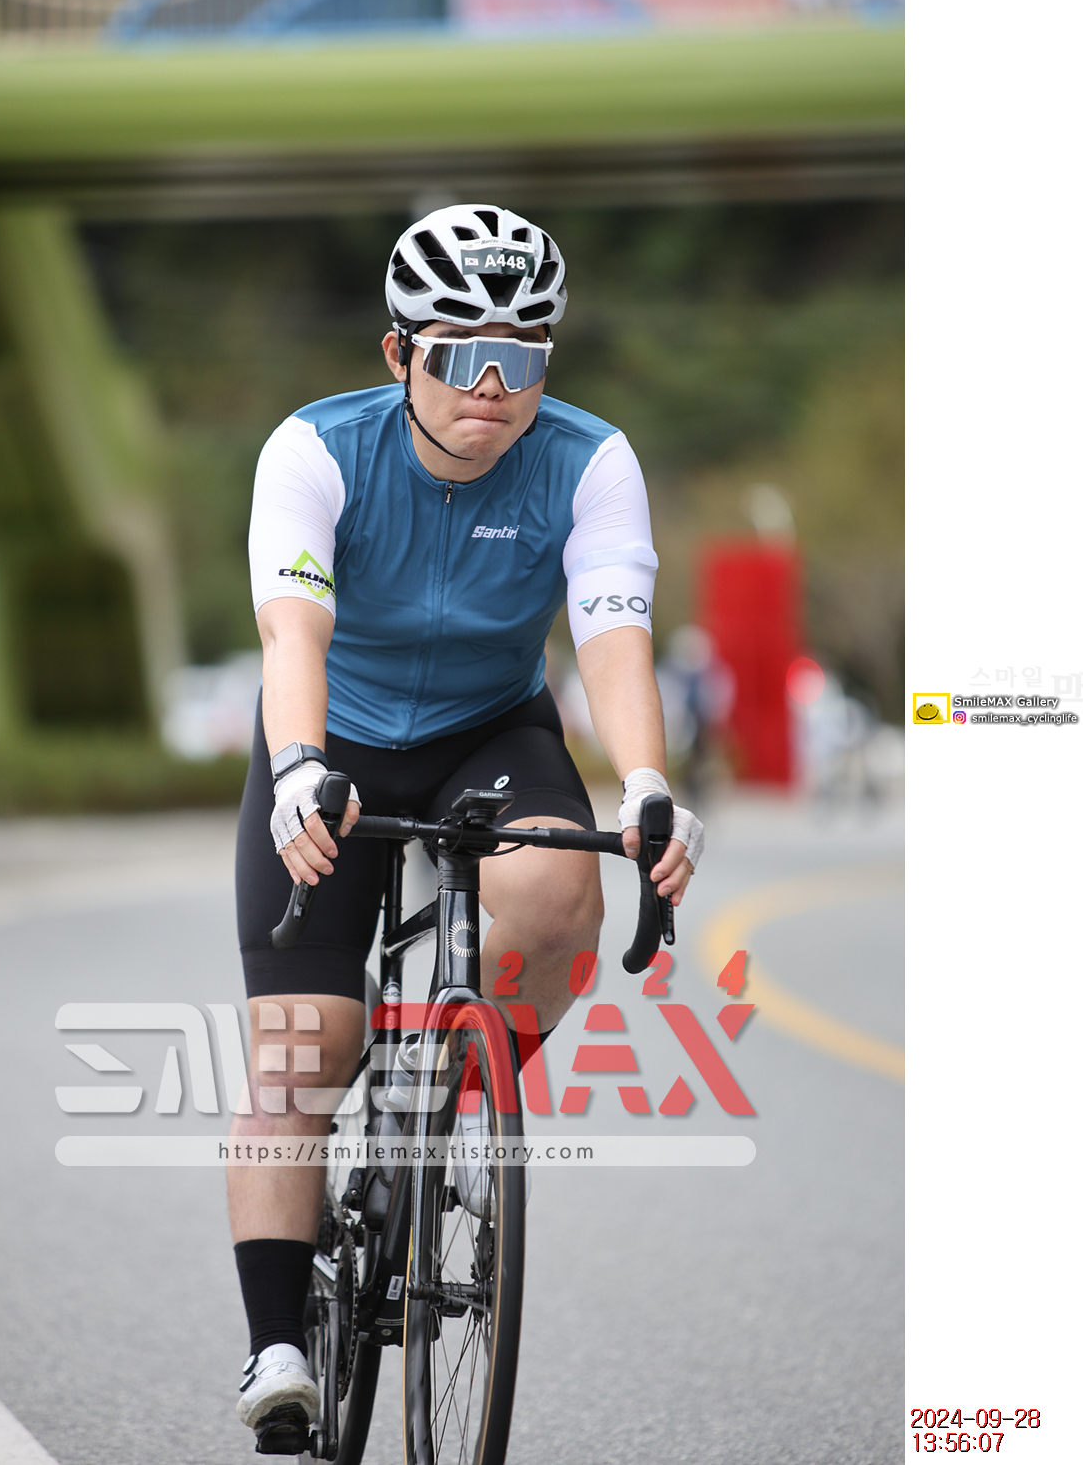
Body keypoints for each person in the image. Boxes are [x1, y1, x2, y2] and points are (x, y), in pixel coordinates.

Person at [229, 204, 704, 1451]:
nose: (494, 387)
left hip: (491, 731)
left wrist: (644, 782)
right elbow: (292, 632)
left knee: (557, 894)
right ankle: (277, 1346)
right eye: (461, 355)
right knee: (302, 1052)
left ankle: (440, 1115)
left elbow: (612, 635)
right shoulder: (315, 450)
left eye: (523, 356)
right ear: (400, 354)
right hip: (332, 735)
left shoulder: (591, 460)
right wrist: (299, 768)